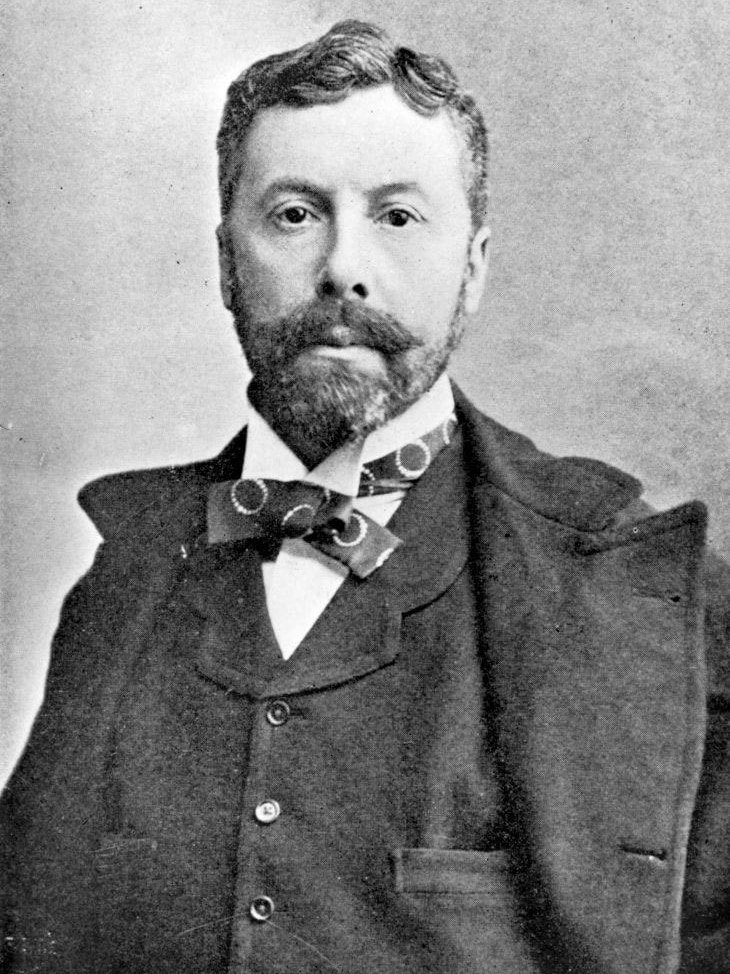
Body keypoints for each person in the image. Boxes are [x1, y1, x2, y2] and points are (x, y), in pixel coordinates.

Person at [1, 19, 727, 974]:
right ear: (227, 262)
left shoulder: (643, 597)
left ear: (471, 268)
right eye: (295, 214)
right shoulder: (125, 574)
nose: (344, 267)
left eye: (397, 217)